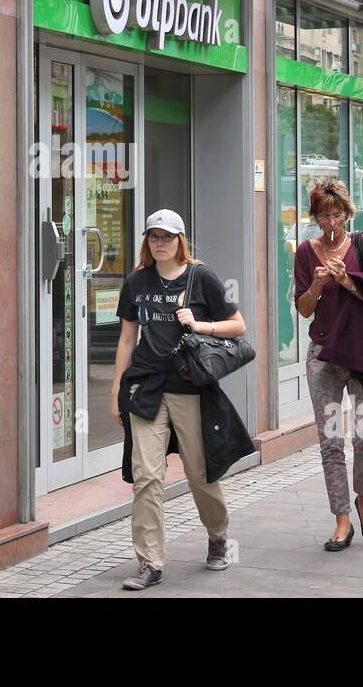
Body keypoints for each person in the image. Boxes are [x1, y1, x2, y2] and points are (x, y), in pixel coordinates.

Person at [112, 209, 252, 591]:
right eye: (154, 237)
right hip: (145, 389)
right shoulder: (135, 282)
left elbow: (238, 326)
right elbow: (127, 339)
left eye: (167, 237)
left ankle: (218, 532)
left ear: (180, 240)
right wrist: (116, 392)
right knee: (146, 478)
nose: (160, 243)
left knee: (199, 473)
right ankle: (150, 562)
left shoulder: (200, 277)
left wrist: (199, 323)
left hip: (190, 388)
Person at [294, 178, 363, 551]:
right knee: (331, 440)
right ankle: (341, 519)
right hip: (323, 355)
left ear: (347, 214)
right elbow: (304, 310)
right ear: (316, 218)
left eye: (338, 214)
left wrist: (347, 280)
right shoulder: (306, 252)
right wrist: (318, 286)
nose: (332, 222)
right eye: (324, 216)